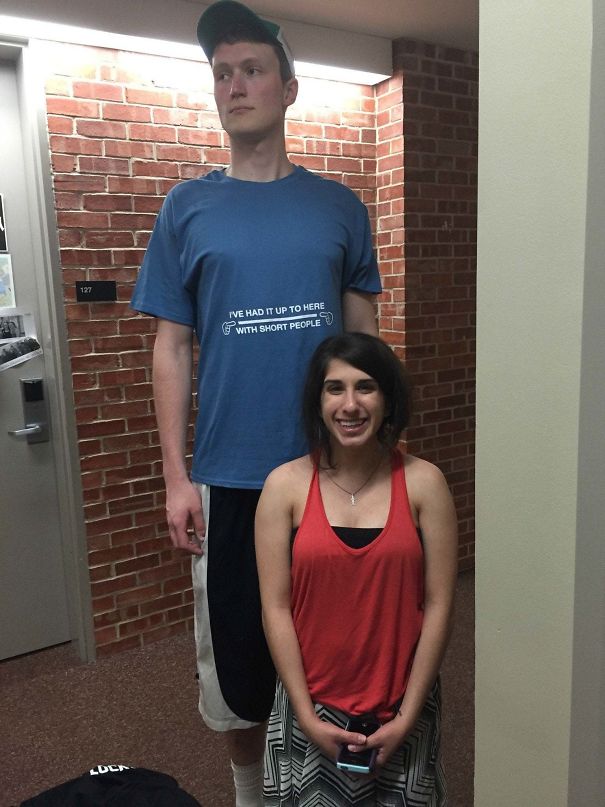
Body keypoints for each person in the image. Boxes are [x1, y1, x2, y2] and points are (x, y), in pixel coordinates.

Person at [130, 2, 381, 804]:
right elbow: (170, 347)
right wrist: (177, 477)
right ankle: (250, 793)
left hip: (330, 473)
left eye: (250, 69)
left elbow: (365, 347)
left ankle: (339, 785)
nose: (233, 85)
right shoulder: (186, 208)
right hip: (230, 477)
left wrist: (377, 461)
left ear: (289, 87)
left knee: (339, 648)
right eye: (221, 74)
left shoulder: (340, 207)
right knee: (238, 664)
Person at [256, 333, 458, 805]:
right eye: (335, 388)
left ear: (388, 400)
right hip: (311, 705)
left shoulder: (425, 484)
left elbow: (440, 604)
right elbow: (276, 608)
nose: (350, 404)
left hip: (402, 705)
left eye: (366, 387)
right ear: (318, 401)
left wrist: (407, 716)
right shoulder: (283, 487)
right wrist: (305, 715)